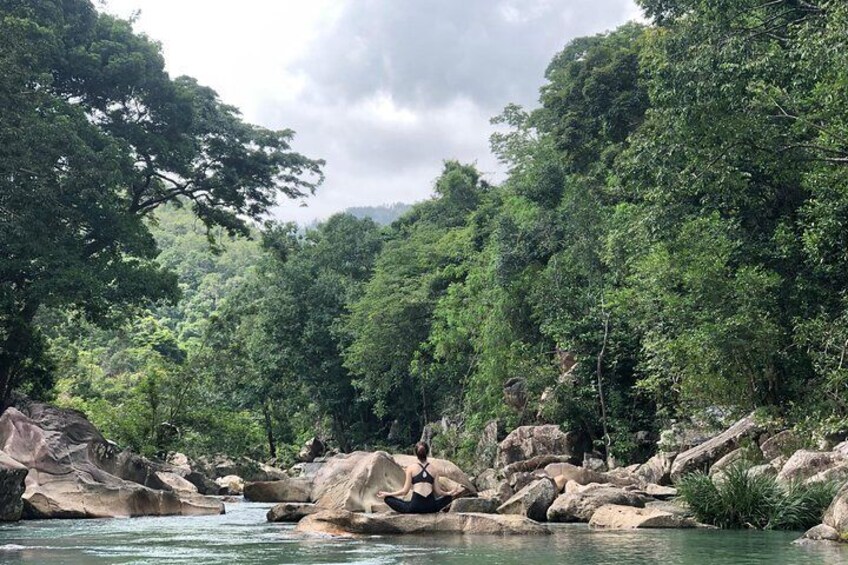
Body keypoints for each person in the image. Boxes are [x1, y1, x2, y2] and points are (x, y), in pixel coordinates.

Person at [376, 441, 463, 513]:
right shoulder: (434, 469)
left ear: (415, 453)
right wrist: (449, 493)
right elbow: (439, 492)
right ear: (427, 452)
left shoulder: (410, 468)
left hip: (415, 507)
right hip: (431, 508)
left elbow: (404, 491)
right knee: (449, 498)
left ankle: (391, 498)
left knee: (388, 499)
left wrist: (388, 494)